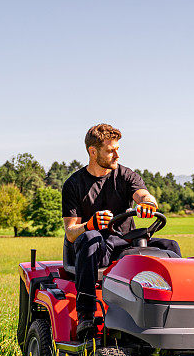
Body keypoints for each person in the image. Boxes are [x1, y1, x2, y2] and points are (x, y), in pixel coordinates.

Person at [62, 123, 181, 339]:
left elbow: (144, 195)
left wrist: (147, 204)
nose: (117, 154)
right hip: (96, 250)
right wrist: (91, 224)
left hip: (124, 246)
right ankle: (86, 315)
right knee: (91, 238)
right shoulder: (74, 184)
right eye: (110, 150)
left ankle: (174, 309)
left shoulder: (126, 176)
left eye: (118, 148)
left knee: (169, 246)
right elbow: (71, 232)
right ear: (93, 151)